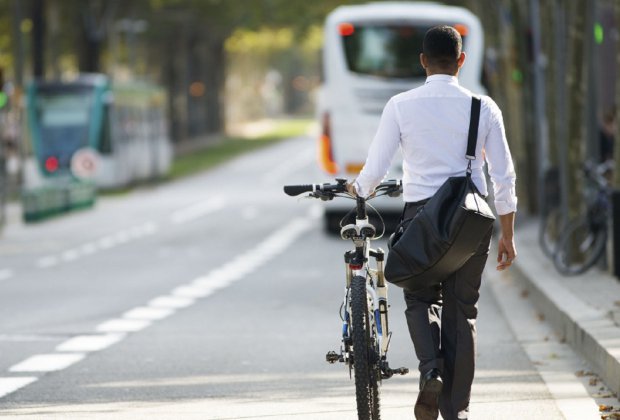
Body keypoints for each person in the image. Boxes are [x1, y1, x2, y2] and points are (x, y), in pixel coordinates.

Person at [346, 26, 517, 420]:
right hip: (472, 223)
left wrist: (358, 189)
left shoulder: (401, 105)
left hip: (421, 219)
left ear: (422, 61)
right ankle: (457, 411)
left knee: (418, 296)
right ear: (461, 60)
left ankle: (431, 369)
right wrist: (507, 234)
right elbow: (504, 178)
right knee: (462, 312)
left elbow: (372, 173)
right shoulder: (483, 107)